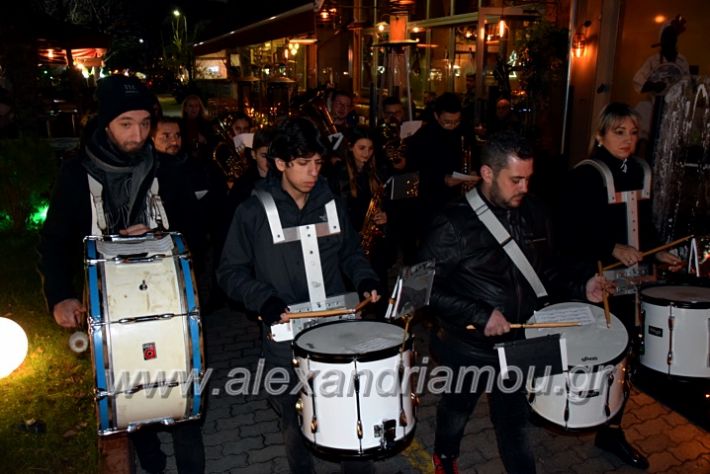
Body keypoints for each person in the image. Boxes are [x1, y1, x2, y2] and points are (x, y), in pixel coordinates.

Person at [37, 75, 205, 474]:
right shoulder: (77, 175)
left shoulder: (166, 169)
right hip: (110, 309)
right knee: (125, 390)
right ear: (105, 123)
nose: (138, 134)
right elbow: (54, 240)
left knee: (185, 397)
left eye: (145, 123)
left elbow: (199, 229)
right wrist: (60, 295)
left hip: (170, 303)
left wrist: (161, 234)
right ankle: (148, 454)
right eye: (126, 123)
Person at [419, 131, 606, 474]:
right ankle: (445, 456)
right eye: (515, 179)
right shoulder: (452, 223)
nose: (524, 188)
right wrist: (480, 313)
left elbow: (546, 269)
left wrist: (582, 285)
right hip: (470, 343)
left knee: (514, 421)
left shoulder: (534, 210)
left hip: (523, 340)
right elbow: (423, 289)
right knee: (457, 407)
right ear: (487, 173)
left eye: (529, 179)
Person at [217, 117, 381, 474]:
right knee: (295, 424)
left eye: (318, 163)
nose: (312, 172)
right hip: (284, 341)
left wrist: (365, 277)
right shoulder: (251, 211)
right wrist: (263, 299)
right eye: (303, 163)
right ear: (280, 164)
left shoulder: (332, 203)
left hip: (337, 334)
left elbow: (351, 252)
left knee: (350, 416)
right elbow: (229, 273)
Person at [557, 103, 682, 470]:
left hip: (630, 283)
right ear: (600, 135)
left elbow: (645, 223)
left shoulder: (641, 170)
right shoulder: (584, 175)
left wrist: (659, 253)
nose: (627, 140)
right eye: (618, 132)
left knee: (623, 359)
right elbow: (567, 232)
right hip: (592, 280)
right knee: (591, 354)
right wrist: (611, 247)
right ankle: (563, 405)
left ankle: (611, 429)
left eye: (631, 132)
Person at [327, 126, 391, 317]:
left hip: (373, 240)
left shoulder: (376, 172)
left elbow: (387, 203)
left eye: (370, 149)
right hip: (350, 239)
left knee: (378, 287)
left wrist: (386, 216)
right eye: (361, 148)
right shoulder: (338, 174)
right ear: (350, 148)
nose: (367, 153)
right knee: (351, 293)